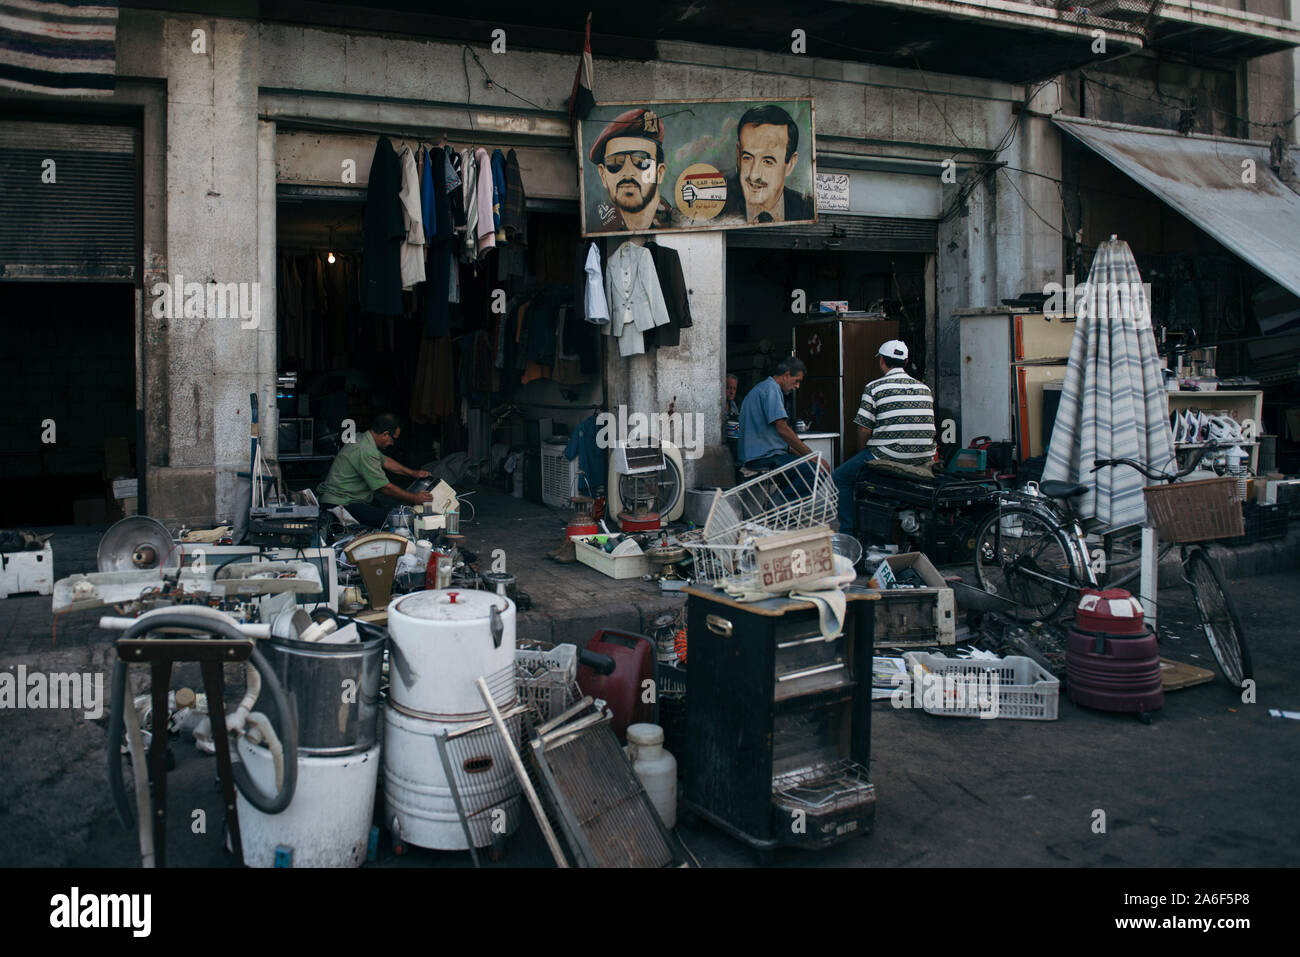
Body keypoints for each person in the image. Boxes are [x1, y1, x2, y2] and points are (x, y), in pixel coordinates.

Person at [833, 340, 937, 535]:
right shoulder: (925, 389)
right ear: (905, 362)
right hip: (925, 457)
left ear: (881, 361)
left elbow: (864, 429)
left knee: (840, 477)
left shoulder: (874, 387)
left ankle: (848, 531)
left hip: (887, 455)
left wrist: (862, 451)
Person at [317, 413, 433, 527]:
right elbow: (384, 487)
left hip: (347, 499)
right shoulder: (365, 450)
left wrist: (413, 473)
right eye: (394, 439)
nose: (393, 443)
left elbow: (386, 461)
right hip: (340, 504)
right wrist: (414, 498)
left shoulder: (361, 438)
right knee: (394, 521)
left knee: (384, 507)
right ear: (385, 434)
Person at [737, 357, 829, 480]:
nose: (797, 386)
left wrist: (808, 458)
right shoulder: (771, 388)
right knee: (815, 473)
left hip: (762, 457)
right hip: (764, 458)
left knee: (811, 468)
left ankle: (781, 499)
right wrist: (813, 457)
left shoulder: (763, 388)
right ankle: (780, 500)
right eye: (796, 381)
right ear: (786, 375)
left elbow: (784, 442)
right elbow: (782, 429)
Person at [720, 105, 814, 224]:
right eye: (747, 158)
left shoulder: (807, 210)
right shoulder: (716, 210)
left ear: (790, 163)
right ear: (738, 156)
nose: (754, 175)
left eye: (767, 162)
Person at [587, 108, 676, 232]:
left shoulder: (680, 224)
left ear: (659, 172)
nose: (628, 172)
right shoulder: (600, 228)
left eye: (641, 161)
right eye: (615, 162)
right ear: (603, 175)